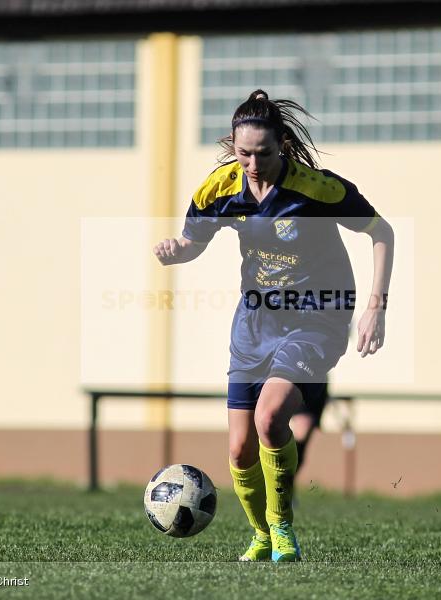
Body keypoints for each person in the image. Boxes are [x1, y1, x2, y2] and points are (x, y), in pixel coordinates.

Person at [153, 89, 393, 562]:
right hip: (254, 321)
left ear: (283, 144)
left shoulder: (316, 189)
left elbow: (381, 231)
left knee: (269, 417)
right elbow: (193, 239)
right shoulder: (220, 187)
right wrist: (177, 251)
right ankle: (261, 535)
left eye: (263, 153)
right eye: (243, 154)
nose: (253, 164)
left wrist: (375, 306)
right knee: (240, 449)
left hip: (317, 317)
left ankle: (283, 530)